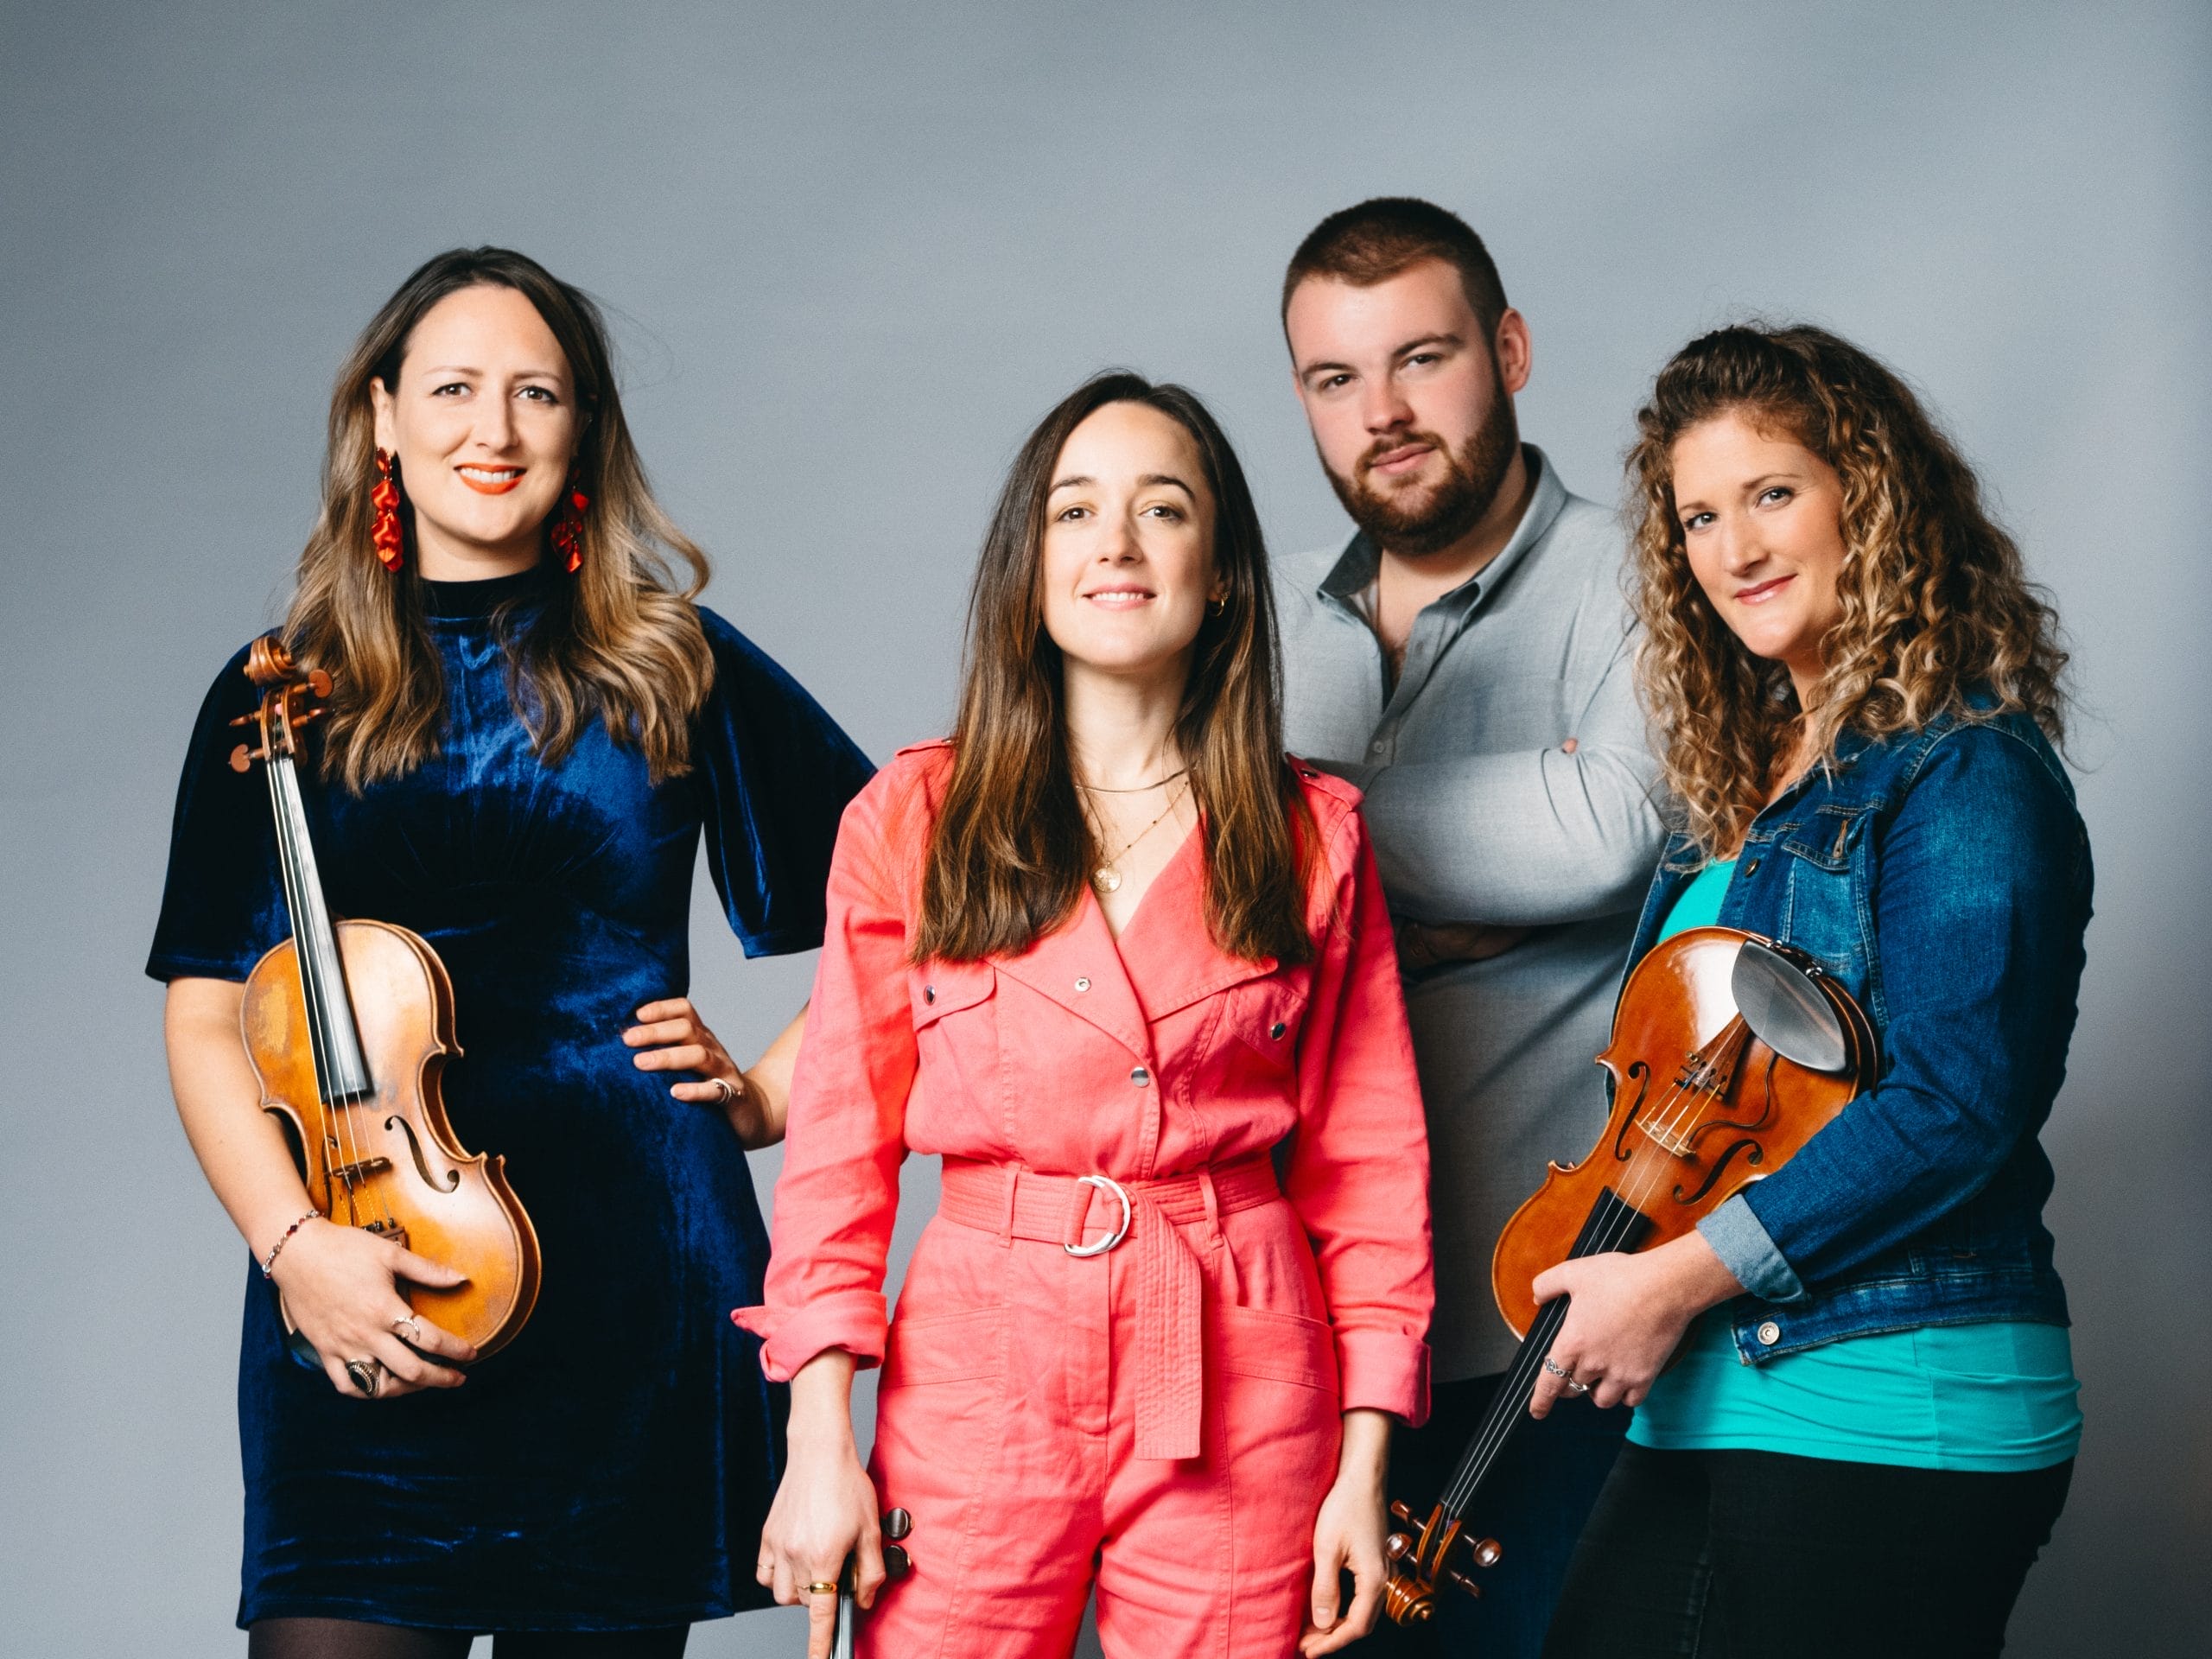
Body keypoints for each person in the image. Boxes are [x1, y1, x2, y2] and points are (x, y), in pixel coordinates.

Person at [150, 247, 873, 1656]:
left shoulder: (674, 664)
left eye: (536, 393)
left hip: (634, 1298)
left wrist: (775, 1092)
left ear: (583, 429)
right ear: (384, 417)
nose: (494, 430)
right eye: (457, 389)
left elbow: (923, 898)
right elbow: (203, 1018)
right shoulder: (283, 692)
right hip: (364, 1277)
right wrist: (293, 1248)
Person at [737, 372, 1435, 1659]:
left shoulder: (1312, 836)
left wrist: (1364, 1461)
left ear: (1219, 570)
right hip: (977, 1361)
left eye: (1162, 509)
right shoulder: (912, 819)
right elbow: (840, 1150)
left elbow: (1370, 1170)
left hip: (1241, 1357)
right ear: (1030, 564)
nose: (1115, 543)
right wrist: (815, 1439)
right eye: (1074, 512)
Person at [1531, 323, 2086, 1659]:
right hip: (1729, 1400)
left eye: (1775, 493)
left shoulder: (1965, 768)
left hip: (1891, 1407)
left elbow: (1957, 1104)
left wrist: (1667, 1283)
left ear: (1869, 498)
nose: (1737, 550)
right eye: (1700, 515)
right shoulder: (1735, 795)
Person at [1271, 197, 1667, 1656]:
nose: (1383, 414)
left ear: (1507, 351)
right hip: (1304, 1335)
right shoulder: (1269, 630)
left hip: (1546, 1333)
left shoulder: (1647, 579)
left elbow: (1617, 824)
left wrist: (1310, 834)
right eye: (1335, 379)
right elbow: (1198, 916)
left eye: (1423, 358)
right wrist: (1471, 881)